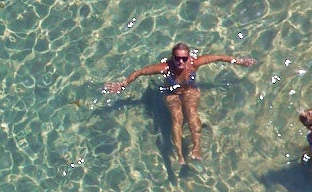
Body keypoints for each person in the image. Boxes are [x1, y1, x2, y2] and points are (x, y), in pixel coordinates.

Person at [103, 44, 255, 165]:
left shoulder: (194, 64)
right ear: (172, 57)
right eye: (177, 58)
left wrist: (240, 61)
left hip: (190, 91)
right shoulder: (165, 68)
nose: (180, 62)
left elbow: (218, 57)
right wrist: (122, 84)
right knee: (177, 118)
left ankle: (196, 147)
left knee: (191, 113)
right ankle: (180, 154)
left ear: (188, 57)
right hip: (172, 94)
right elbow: (139, 72)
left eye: (184, 58)